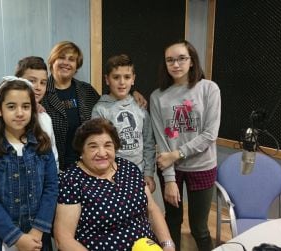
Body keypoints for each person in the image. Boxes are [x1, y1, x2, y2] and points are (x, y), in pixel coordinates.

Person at [54, 118, 175, 251]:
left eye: (107, 145)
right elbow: (64, 239)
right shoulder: (70, 180)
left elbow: (151, 209)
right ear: (81, 151)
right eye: (93, 146)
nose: (102, 153)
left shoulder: (129, 168)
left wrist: (167, 244)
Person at [149, 40, 221, 251]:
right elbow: (161, 140)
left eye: (182, 58)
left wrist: (177, 153)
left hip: (202, 166)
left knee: (199, 228)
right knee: (172, 222)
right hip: (171, 170)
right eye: (170, 60)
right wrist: (170, 178)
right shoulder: (157, 96)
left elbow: (210, 134)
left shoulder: (209, 89)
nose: (176, 64)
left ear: (192, 61)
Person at [0, 77, 58, 251]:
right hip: (8, 238)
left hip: (39, 237)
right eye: (11, 106)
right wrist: (17, 237)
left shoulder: (42, 144)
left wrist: (37, 231)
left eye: (26, 106)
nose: (20, 113)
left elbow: (51, 189)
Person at [42, 41, 147, 171]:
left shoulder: (86, 90)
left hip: (87, 165)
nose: (66, 63)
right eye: (61, 57)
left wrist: (132, 92)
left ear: (77, 66)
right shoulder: (41, 92)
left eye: (72, 59)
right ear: (52, 61)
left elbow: (112, 100)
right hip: (54, 166)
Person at [92, 54, 156, 193]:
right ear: (107, 80)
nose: (122, 82)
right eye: (116, 77)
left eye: (127, 77)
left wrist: (149, 173)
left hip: (139, 173)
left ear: (133, 79)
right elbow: (99, 146)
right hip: (113, 175)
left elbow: (148, 142)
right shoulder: (100, 110)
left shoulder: (140, 106)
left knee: (141, 212)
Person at [15, 56, 59, 169]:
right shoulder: (7, 117)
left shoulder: (45, 118)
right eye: (32, 81)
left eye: (43, 82)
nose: (38, 87)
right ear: (18, 80)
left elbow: (53, 158)